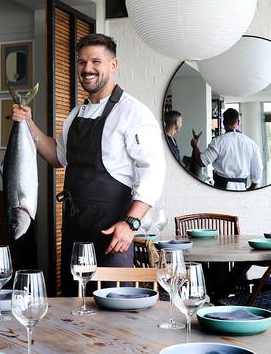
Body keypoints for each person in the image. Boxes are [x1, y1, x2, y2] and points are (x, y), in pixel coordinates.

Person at [11, 33, 166, 295]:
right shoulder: (75, 113)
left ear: (113, 65)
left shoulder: (133, 113)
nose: (87, 69)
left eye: (96, 61)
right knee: (74, 306)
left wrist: (130, 224)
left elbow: (153, 173)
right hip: (75, 230)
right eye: (82, 62)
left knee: (113, 311)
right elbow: (58, 156)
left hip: (112, 233)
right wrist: (28, 123)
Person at [190, 108, 262, 191]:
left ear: (223, 123)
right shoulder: (251, 143)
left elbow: (201, 162)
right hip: (242, 189)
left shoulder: (218, 142)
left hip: (221, 189)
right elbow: (258, 171)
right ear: (238, 122)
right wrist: (249, 190)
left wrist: (195, 146)